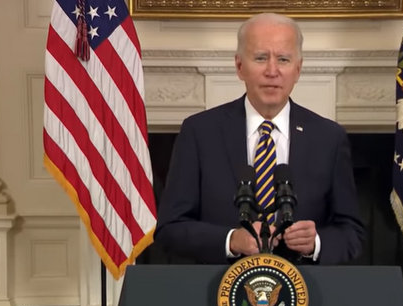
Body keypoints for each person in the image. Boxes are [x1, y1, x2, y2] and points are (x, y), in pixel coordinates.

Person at [154, 12, 364, 266]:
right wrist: (230, 240)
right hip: (217, 292)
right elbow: (170, 229)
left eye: (283, 59)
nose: (272, 71)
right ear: (240, 66)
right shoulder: (200, 132)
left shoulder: (329, 138)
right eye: (261, 58)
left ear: (298, 69)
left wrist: (316, 242)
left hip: (305, 293)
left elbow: (353, 234)